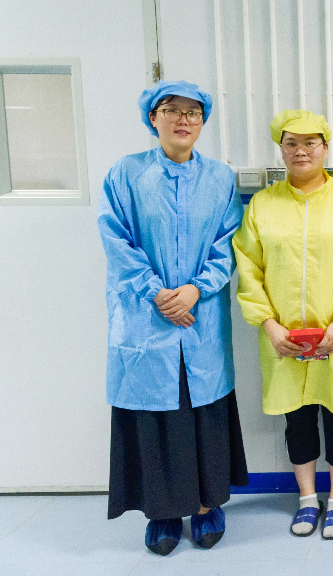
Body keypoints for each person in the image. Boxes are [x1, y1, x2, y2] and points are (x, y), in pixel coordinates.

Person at [98, 80, 248, 556]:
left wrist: (196, 289)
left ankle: (206, 507)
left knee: (203, 411)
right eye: (172, 110)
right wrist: (157, 292)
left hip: (200, 318)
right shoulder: (126, 173)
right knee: (154, 417)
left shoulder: (219, 178)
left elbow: (230, 242)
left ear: (202, 122)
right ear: (153, 118)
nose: (183, 119)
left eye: (193, 112)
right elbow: (116, 238)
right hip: (147, 319)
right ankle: (161, 513)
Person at [233, 109, 333, 540]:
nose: (301, 151)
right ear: (281, 149)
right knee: (296, 422)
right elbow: (249, 269)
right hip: (283, 340)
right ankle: (307, 499)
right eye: (291, 143)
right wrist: (268, 324)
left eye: (310, 143)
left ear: (325, 148)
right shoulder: (263, 205)